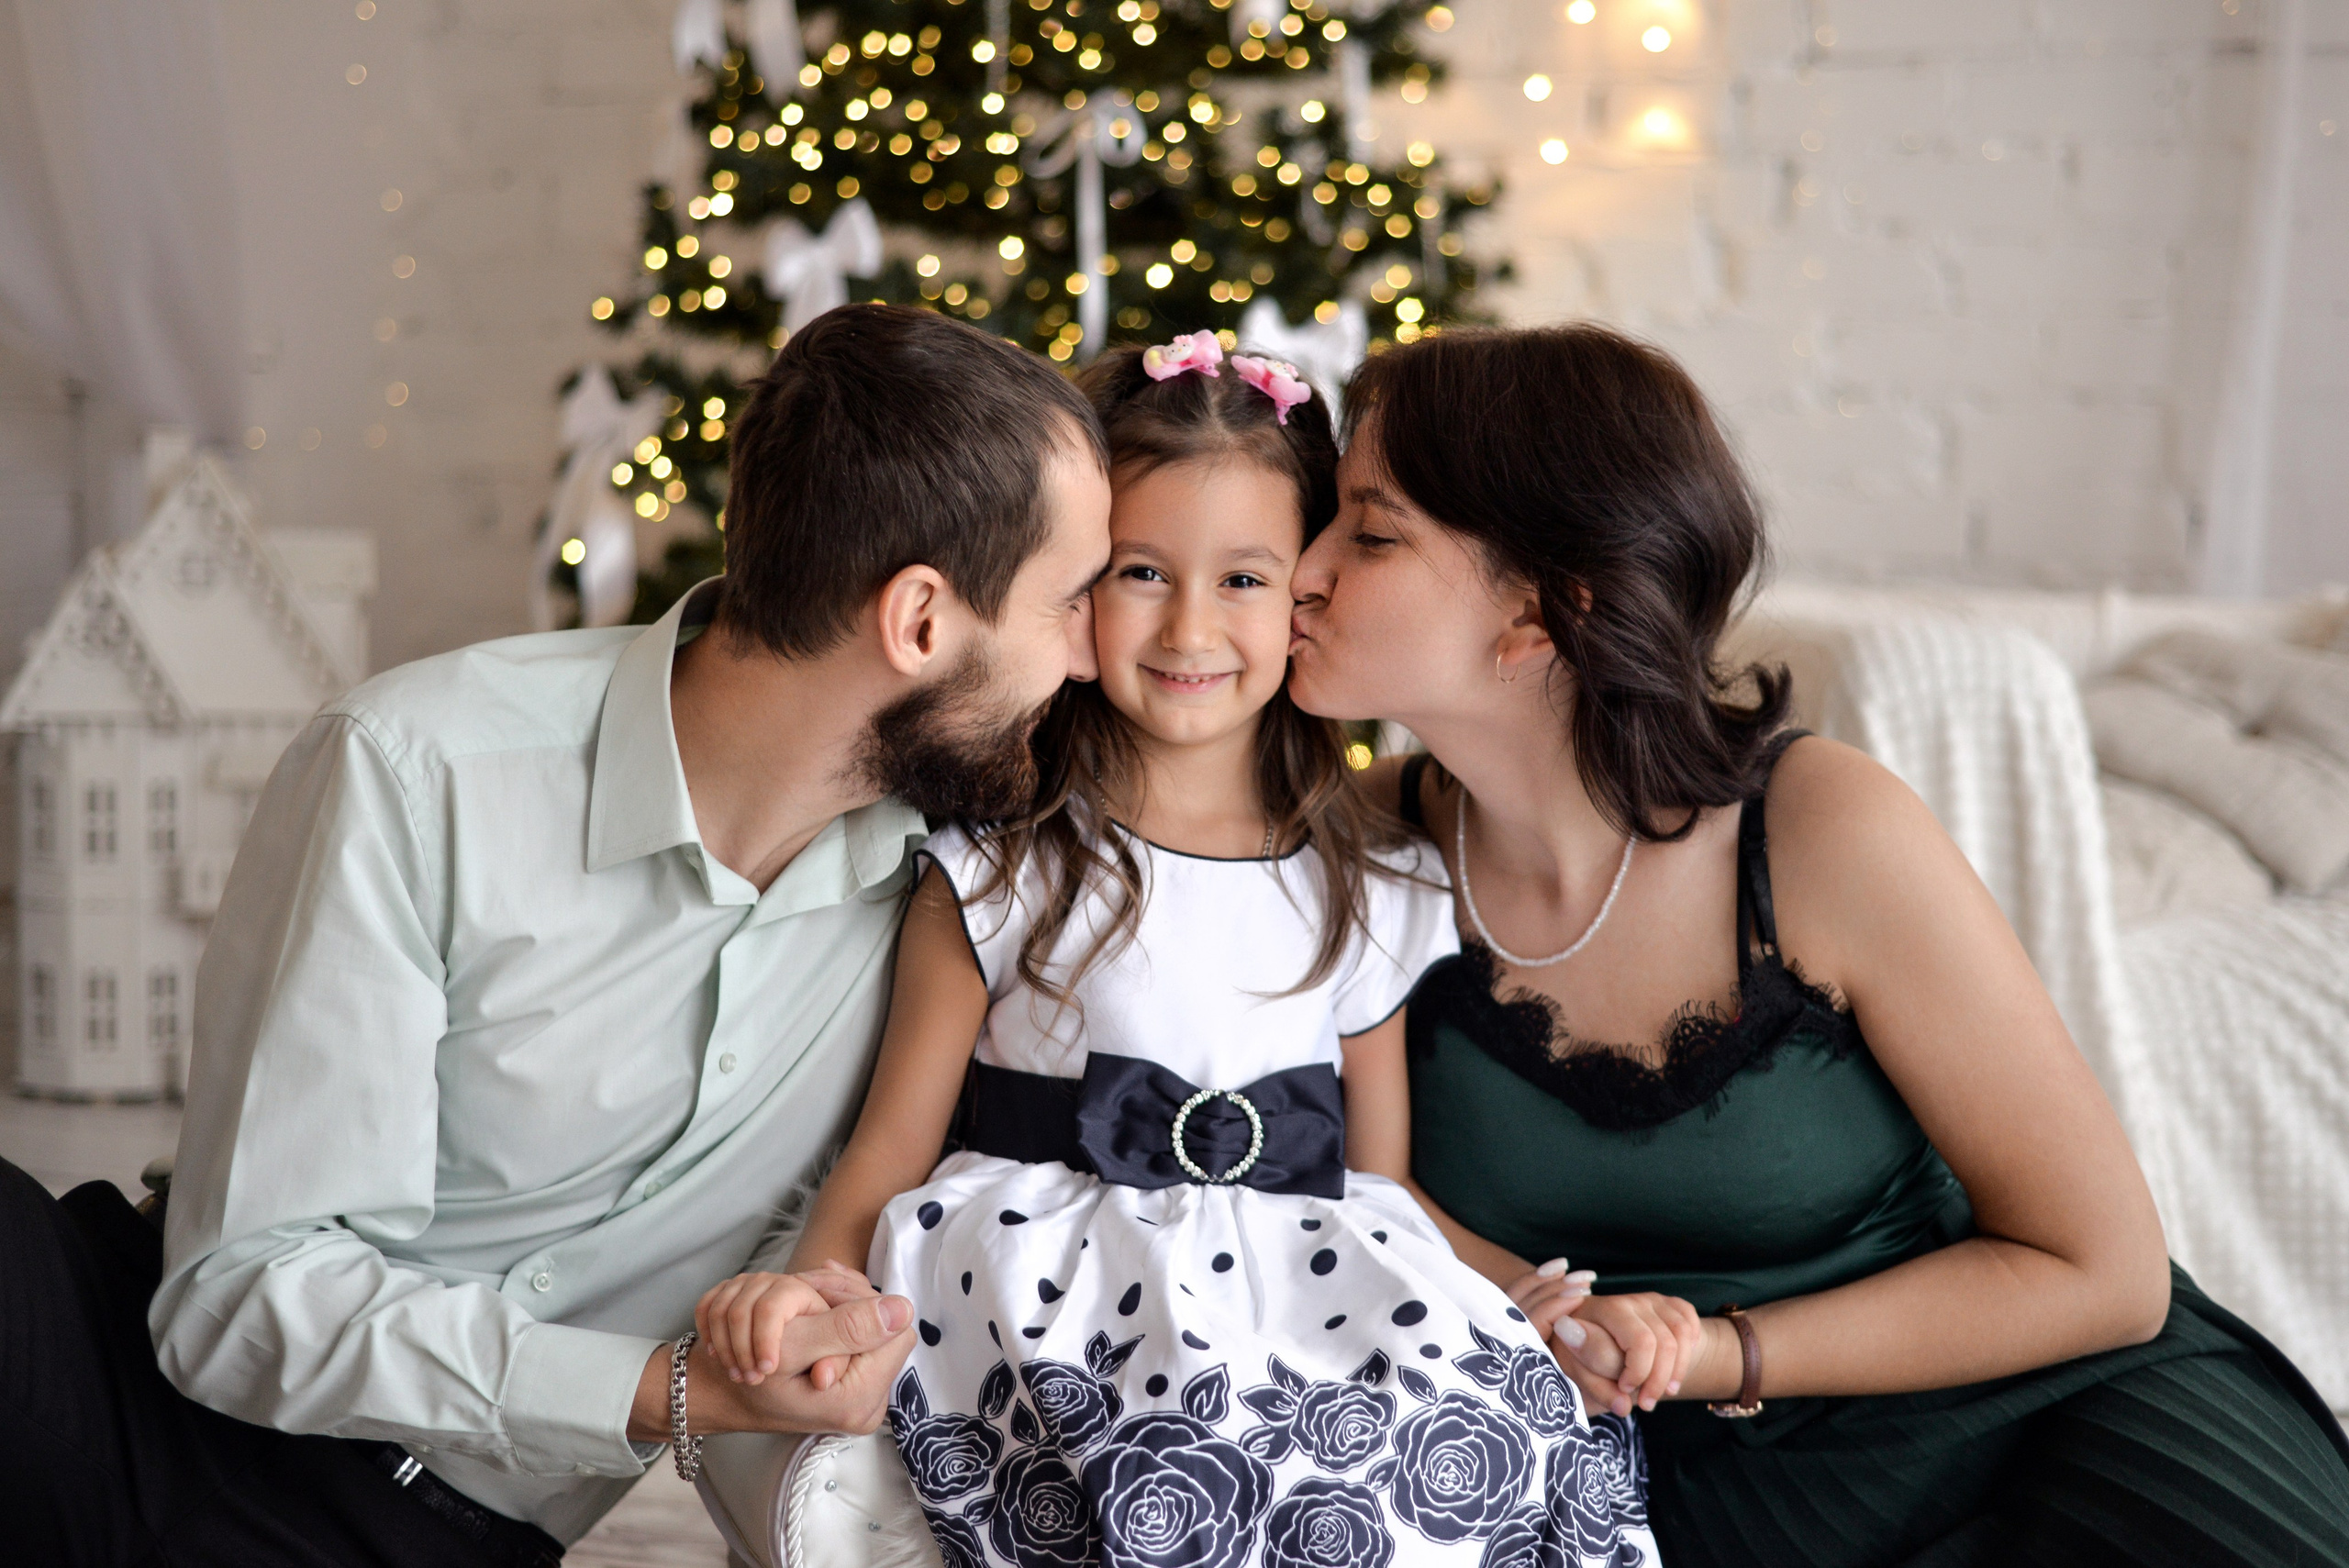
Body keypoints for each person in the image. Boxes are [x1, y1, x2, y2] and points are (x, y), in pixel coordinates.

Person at [0, 304, 1114, 1566]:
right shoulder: (419, 772)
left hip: (435, 1540)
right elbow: (236, 1293)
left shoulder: (953, 898)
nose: (1093, 655)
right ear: (920, 621)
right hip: (119, 1403)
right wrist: (660, 1390)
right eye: (1071, 601)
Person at [1282, 321, 2349, 1568]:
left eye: (1368, 529)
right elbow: (1347, 1204)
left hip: (2037, 1420)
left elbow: (2104, 1270)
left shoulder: (1820, 829)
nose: (1301, 571)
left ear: (1544, 609)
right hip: (1668, 1487)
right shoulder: (1347, 856)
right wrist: (1554, 1327)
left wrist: (1714, 1351)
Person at [696, 332, 1661, 1568]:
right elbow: (882, 1155)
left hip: (1298, 1300)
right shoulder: (999, 862)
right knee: (1175, 1487)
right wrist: (809, 1302)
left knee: (1491, 1449)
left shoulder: (1368, 883)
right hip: (1050, 1304)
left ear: (1305, 590)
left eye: (1245, 579)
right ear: (1077, 578)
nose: (1190, 625)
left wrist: (1522, 1291)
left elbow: (1380, 1187)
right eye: (1142, 570)